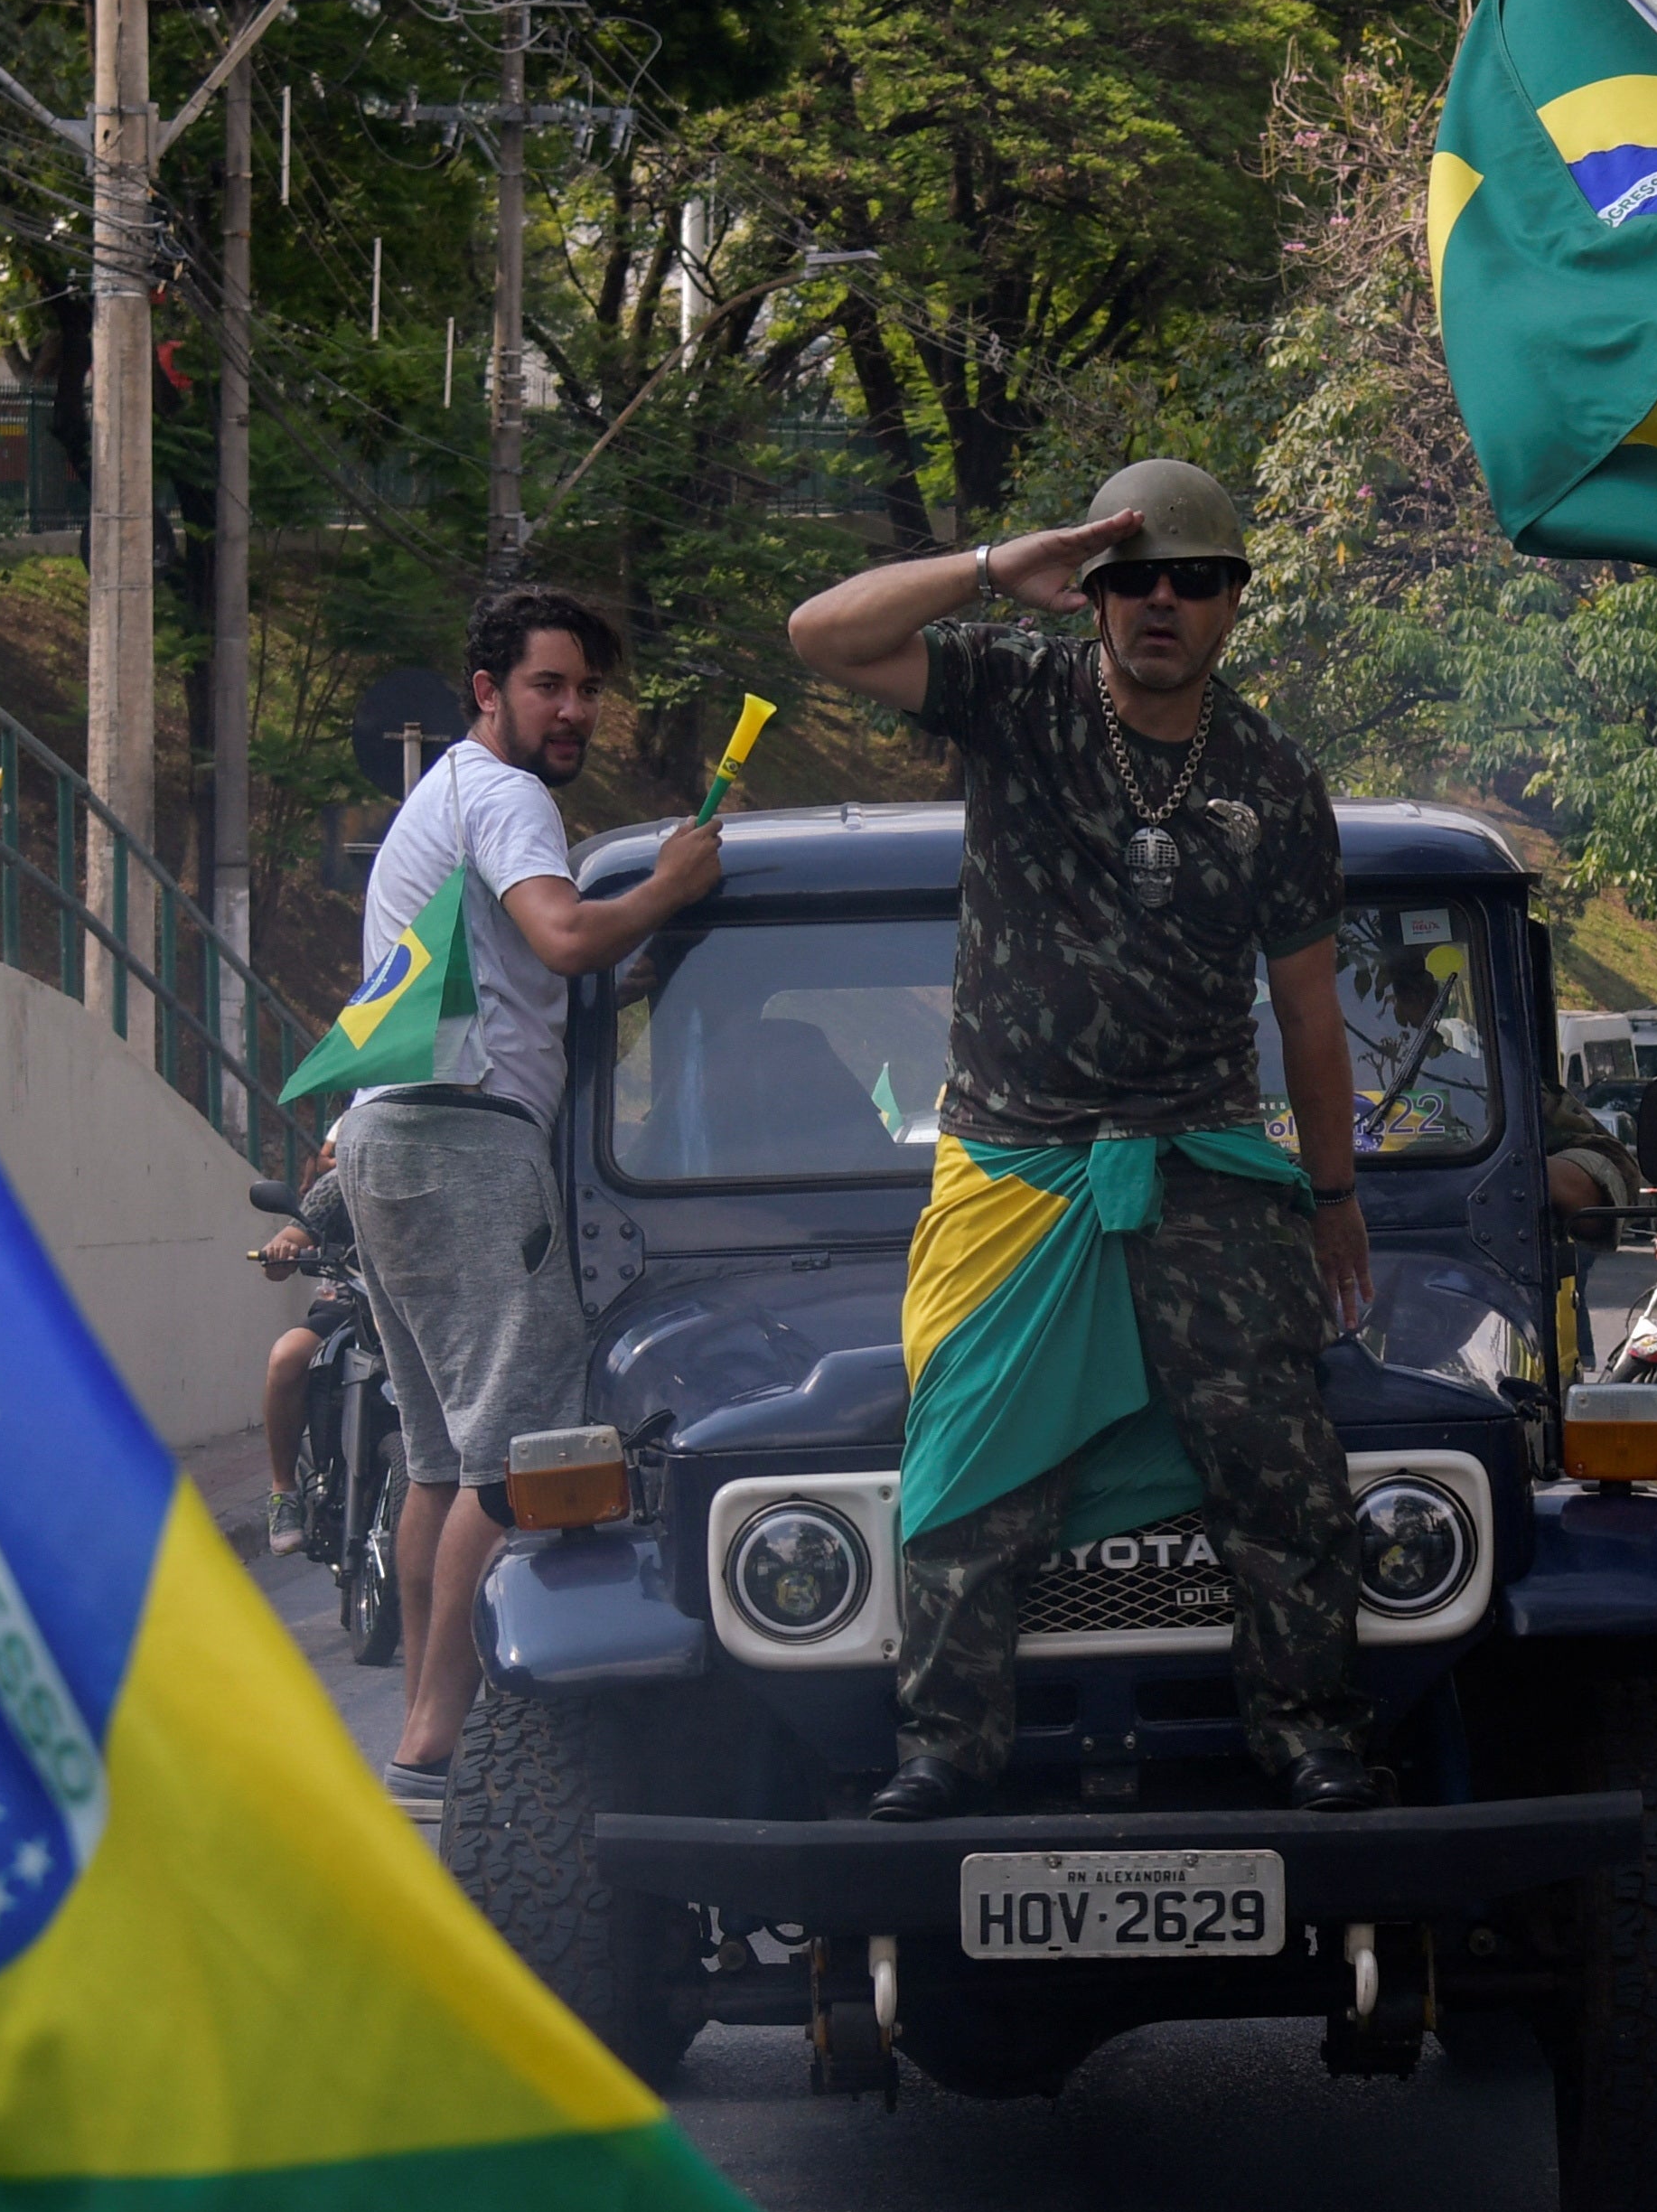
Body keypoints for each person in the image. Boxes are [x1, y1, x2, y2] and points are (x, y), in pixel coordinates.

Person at [786, 458, 1380, 1819]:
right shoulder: (1018, 694)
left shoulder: (1276, 782)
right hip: (1015, 1161)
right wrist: (1002, 562)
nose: (1160, 601)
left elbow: (1307, 1012)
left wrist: (1333, 1194)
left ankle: (1310, 1737)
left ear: (1233, 604)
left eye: (1193, 579)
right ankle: (946, 1750)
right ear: (1097, 595)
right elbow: (823, 634)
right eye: (1132, 578)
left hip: (1205, 1157)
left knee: (1281, 1464)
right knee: (966, 1467)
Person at [337, 591, 726, 1810]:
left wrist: (636, 954)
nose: (574, 710)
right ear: (486, 691)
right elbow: (560, 937)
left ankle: (416, 1717)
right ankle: (439, 1743)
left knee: (443, 1465)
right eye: (550, 686)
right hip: (466, 1143)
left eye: (587, 690)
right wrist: (667, 885)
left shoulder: (441, 793)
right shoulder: (509, 799)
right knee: (520, 1456)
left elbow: (536, 975)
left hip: (385, 1137)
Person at [255, 1138, 348, 1557]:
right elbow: (284, 1254)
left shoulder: (446, 1173)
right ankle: (284, 1492)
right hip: (353, 1307)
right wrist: (282, 1251)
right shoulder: (340, 1185)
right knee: (287, 1357)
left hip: (423, 1315)